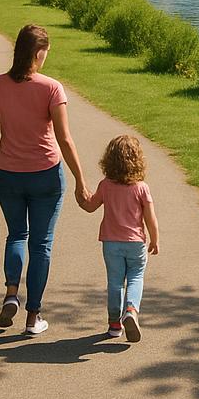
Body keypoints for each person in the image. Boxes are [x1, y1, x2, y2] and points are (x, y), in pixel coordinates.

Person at [0, 24, 87, 336]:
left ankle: (12, 292)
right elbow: (65, 140)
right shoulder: (51, 88)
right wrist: (81, 179)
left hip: (8, 175)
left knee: (16, 236)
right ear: (39, 53)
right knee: (41, 244)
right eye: (46, 54)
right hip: (45, 176)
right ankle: (32, 317)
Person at [77, 135, 160, 342]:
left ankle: (115, 324)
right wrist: (154, 240)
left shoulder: (106, 185)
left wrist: (81, 195)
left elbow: (90, 206)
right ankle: (131, 310)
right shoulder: (141, 187)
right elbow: (151, 218)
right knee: (135, 277)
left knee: (115, 282)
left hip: (111, 243)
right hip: (135, 243)